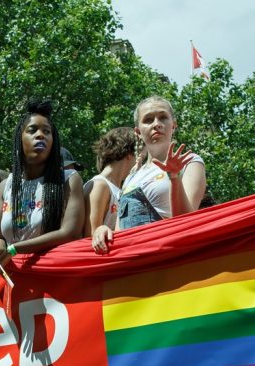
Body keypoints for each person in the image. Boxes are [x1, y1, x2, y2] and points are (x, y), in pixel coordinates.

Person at [0, 99, 85, 279]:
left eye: (47, 131)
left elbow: (70, 233)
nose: (40, 135)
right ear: (19, 139)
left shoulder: (69, 180)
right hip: (13, 278)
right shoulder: (5, 186)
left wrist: (14, 249)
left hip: (52, 278)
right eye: (32, 130)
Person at [118, 96, 207, 229]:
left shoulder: (190, 162)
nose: (156, 124)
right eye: (148, 120)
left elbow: (186, 223)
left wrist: (174, 177)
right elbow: (118, 230)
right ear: (138, 132)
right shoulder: (130, 178)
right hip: (133, 243)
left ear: (174, 125)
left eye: (163, 117)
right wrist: (102, 229)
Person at [85, 127, 137, 253]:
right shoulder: (100, 185)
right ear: (129, 154)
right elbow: (90, 238)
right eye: (140, 155)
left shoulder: (120, 189)